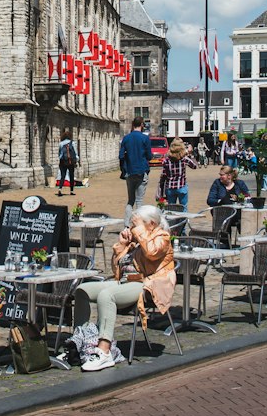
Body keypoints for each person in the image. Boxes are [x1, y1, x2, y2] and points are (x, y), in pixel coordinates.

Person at [73, 206, 176, 372]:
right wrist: (122, 244)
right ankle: (80, 342)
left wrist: (139, 231)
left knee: (107, 295)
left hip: (147, 284)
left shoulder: (162, 236)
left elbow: (152, 252)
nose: (131, 228)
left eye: (135, 224)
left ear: (150, 224)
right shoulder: (137, 238)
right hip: (125, 282)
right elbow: (117, 270)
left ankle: (104, 350)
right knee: (82, 290)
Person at [118, 118, 153, 220]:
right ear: (141, 125)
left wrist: (124, 168)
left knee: (130, 201)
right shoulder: (145, 138)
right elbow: (149, 156)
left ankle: (127, 225)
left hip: (130, 171)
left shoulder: (126, 138)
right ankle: (138, 224)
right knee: (139, 201)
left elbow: (121, 156)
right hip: (141, 171)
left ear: (133, 125)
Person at [158, 138, 196, 210]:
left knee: (171, 209)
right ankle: (183, 221)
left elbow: (163, 175)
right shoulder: (184, 159)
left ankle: (172, 221)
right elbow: (194, 166)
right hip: (181, 186)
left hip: (170, 187)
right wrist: (189, 153)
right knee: (183, 208)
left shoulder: (167, 160)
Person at [57, 129, 79, 195]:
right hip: (70, 161)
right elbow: (75, 152)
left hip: (63, 161)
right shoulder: (72, 143)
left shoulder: (60, 143)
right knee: (71, 175)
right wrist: (76, 160)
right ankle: (71, 191)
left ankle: (60, 189)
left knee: (62, 176)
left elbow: (59, 154)